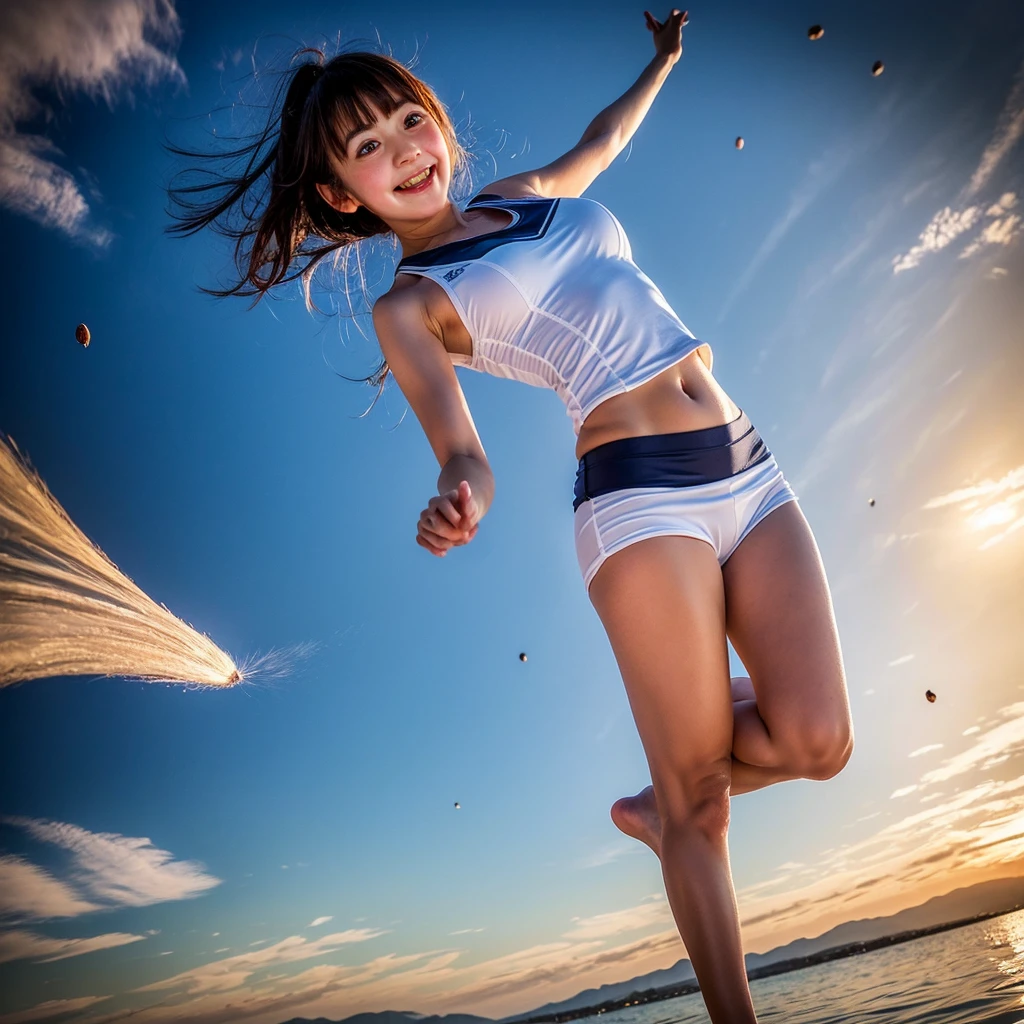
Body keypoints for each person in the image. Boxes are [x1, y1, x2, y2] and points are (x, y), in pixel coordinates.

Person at [167, 11, 854, 1021]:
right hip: (639, 497)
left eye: (409, 120)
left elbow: (605, 141)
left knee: (819, 741)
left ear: (437, 121)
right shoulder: (409, 304)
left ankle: (665, 792)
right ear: (337, 192)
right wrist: (459, 498)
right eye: (366, 148)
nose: (403, 151)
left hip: (746, 462)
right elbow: (462, 448)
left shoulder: (520, 196)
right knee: (703, 803)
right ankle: (690, 850)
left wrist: (660, 62)